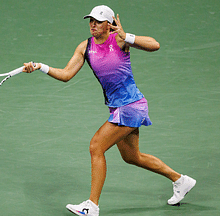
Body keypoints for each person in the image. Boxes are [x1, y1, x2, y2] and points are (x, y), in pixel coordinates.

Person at [23, 5, 196, 216]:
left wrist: (128, 36)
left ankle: (91, 206)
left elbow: (155, 45)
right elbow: (66, 74)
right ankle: (181, 180)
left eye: (97, 21)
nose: (92, 24)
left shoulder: (120, 40)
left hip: (130, 106)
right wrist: (41, 66)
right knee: (132, 157)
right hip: (119, 107)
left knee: (96, 146)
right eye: (91, 20)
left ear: (109, 24)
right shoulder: (85, 47)